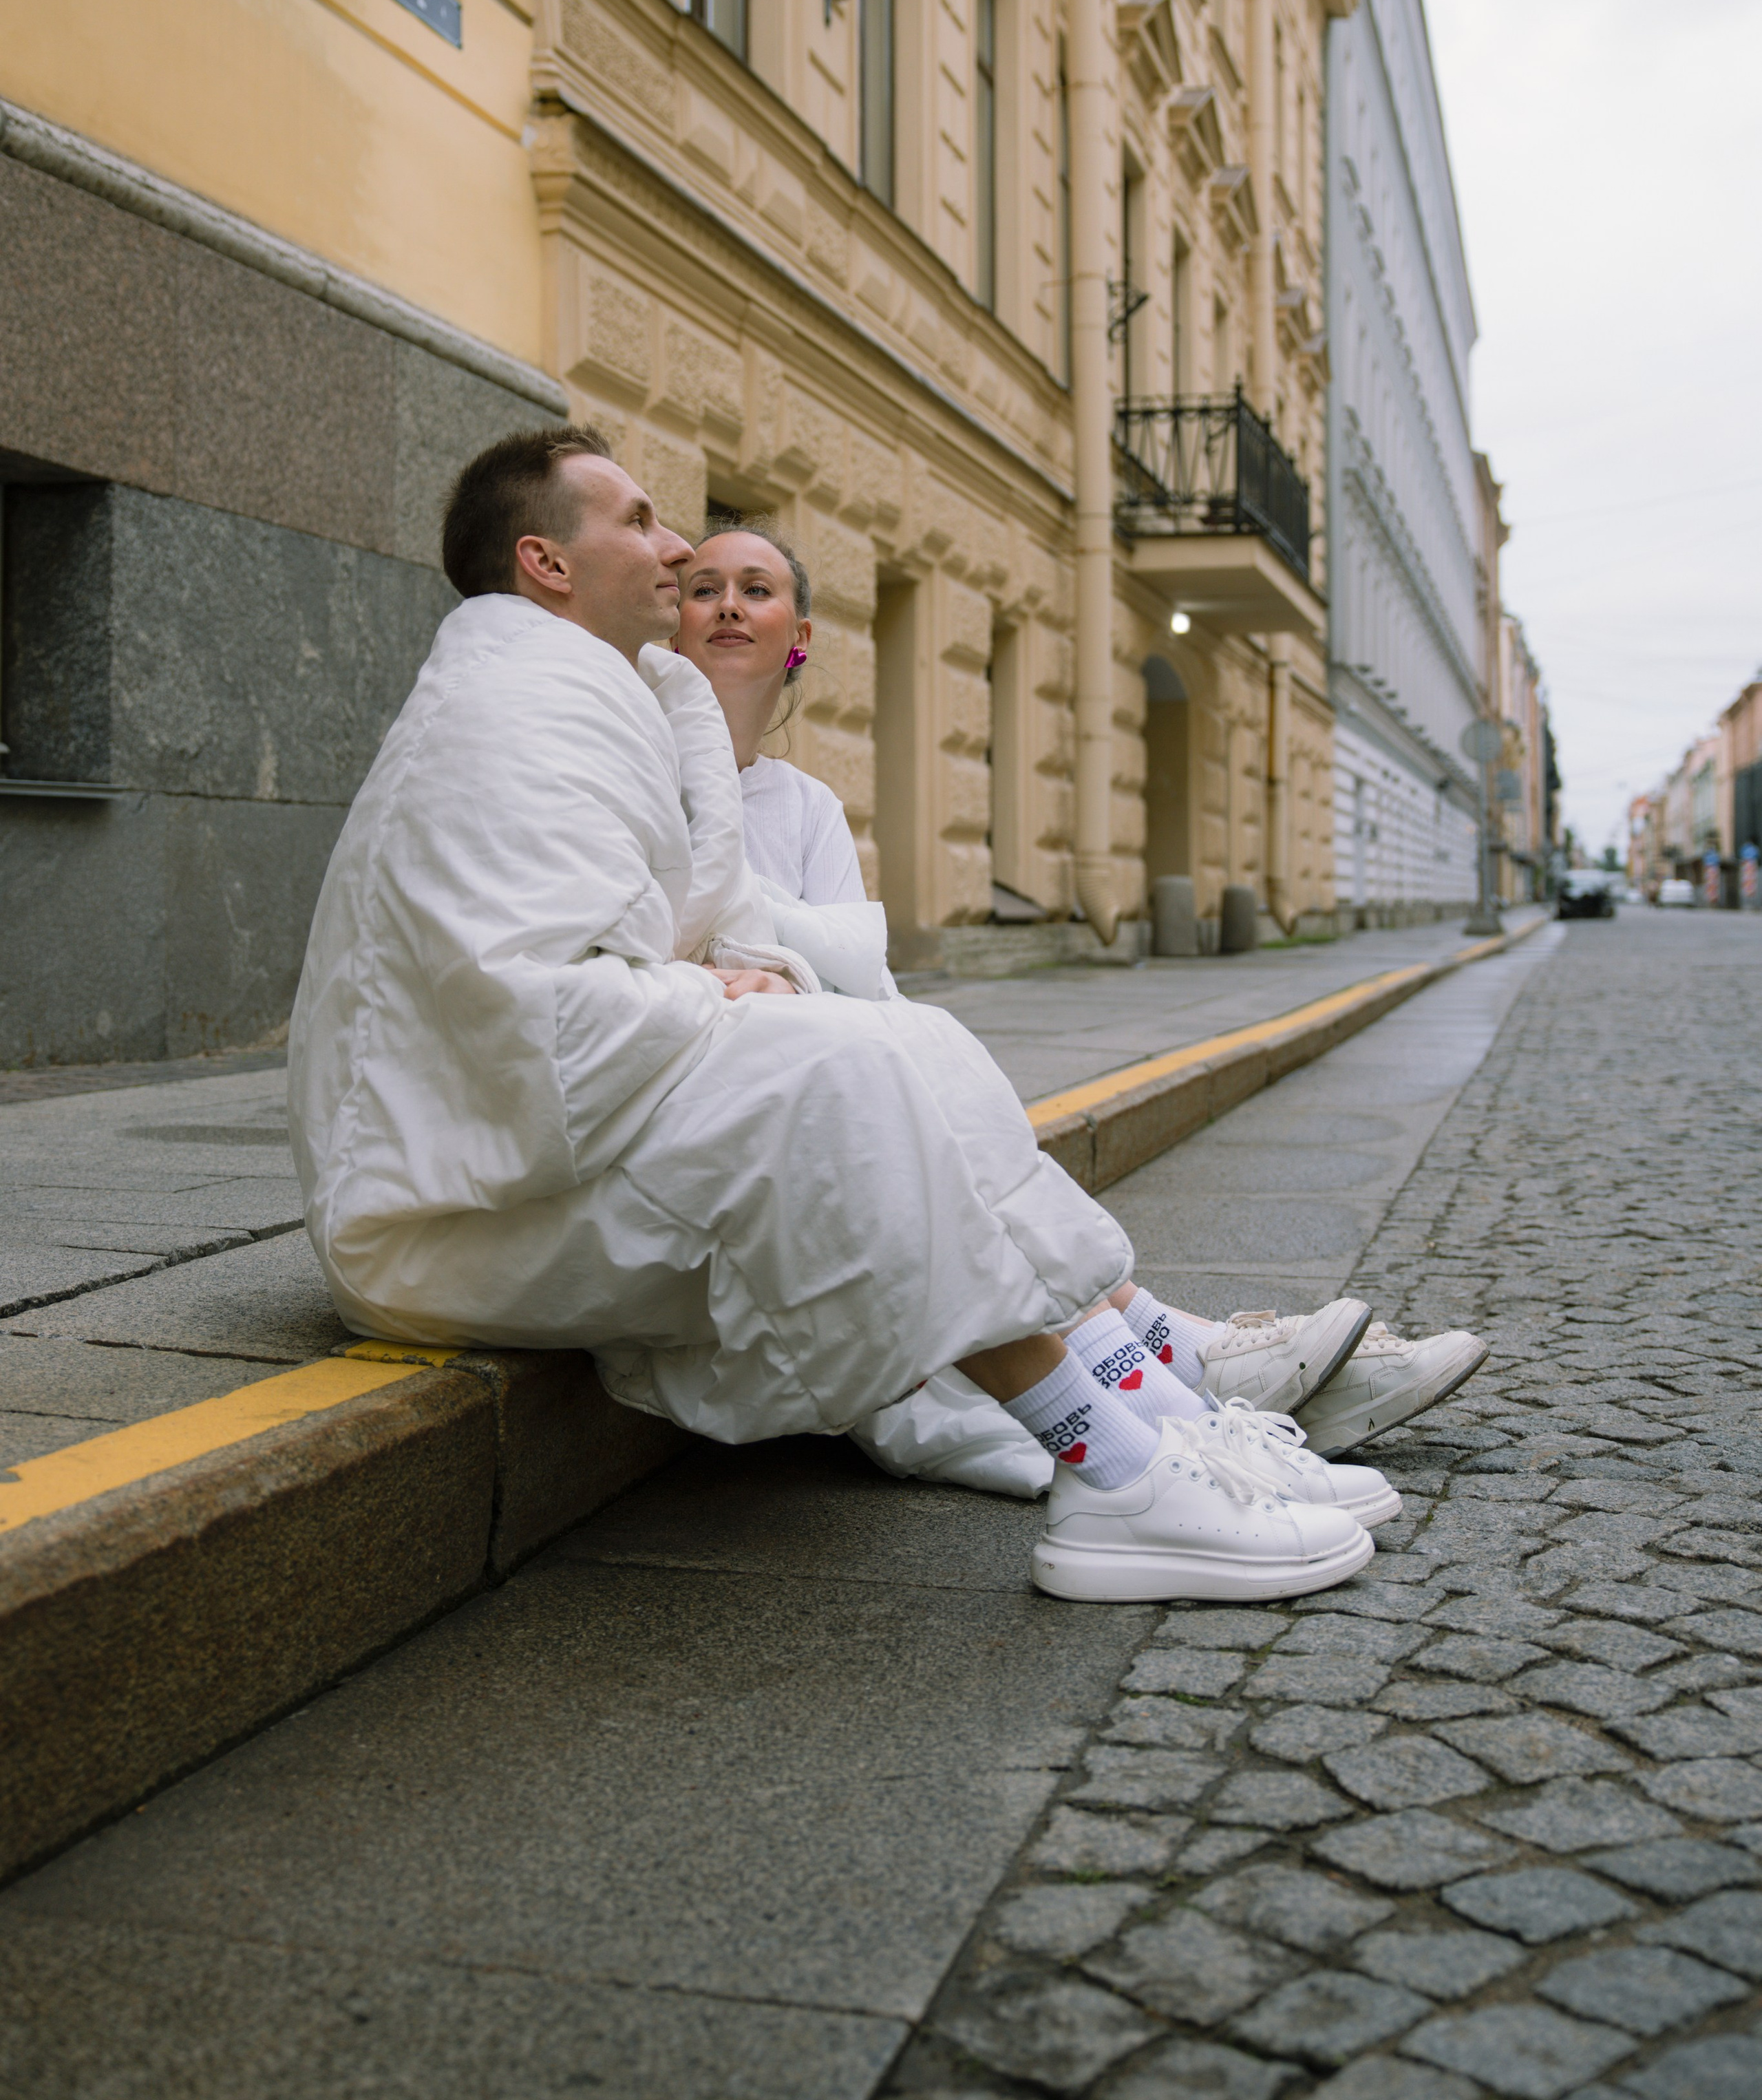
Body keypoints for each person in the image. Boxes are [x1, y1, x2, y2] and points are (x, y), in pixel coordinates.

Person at [289, 425, 1386, 1605]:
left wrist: (741, 979)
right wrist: (716, 991)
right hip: (439, 1213)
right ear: (549, 563)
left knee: (910, 1043)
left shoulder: (579, 699)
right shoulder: (506, 719)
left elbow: (661, 939)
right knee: (834, 1080)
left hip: (518, 1156)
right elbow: (534, 1023)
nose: (672, 548)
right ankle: (1120, 1473)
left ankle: (1164, 1417)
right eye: (642, 523)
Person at [674, 519, 1489, 1487]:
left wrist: (791, 970)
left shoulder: (804, 803)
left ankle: (1192, 1363)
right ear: (673, 624)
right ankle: (1181, 1367)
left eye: (755, 588)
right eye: (704, 586)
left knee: (922, 1061)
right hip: (755, 1079)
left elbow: (857, 963)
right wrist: (781, 970)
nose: (728, 603)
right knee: (911, 1089)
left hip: (823, 1046)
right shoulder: (647, 769)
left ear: (798, 633)